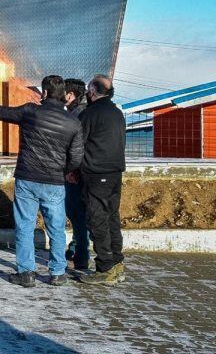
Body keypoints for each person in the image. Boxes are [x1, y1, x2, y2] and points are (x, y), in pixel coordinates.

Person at [0, 76, 83, 287]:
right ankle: (58, 273)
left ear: (46, 93)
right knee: (57, 228)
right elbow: (76, 157)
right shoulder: (73, 122)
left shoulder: (30, 111)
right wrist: (62, 171)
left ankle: (26, 273)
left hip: (27, 179)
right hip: (55, 182)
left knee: (25, 226)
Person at [78, 75, 127, 286]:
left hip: (96, 175)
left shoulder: (90, 113)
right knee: (112, 218)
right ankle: (116, 262)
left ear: (93, 92)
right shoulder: (117, 113)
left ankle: (104, 268)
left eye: (89, 90)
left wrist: (72, 168)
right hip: (115, 173)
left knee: (97, 220)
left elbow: (77, 144)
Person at [63, 78, 90, 269]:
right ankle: (77, 247)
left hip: (77, 173)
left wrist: (72, 170)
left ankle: (81, 254)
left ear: (71, 95)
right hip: (87, 172)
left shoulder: (78, 115)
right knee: (80, 214)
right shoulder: (84, 111)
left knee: (77, 213)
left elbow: (77, 146)